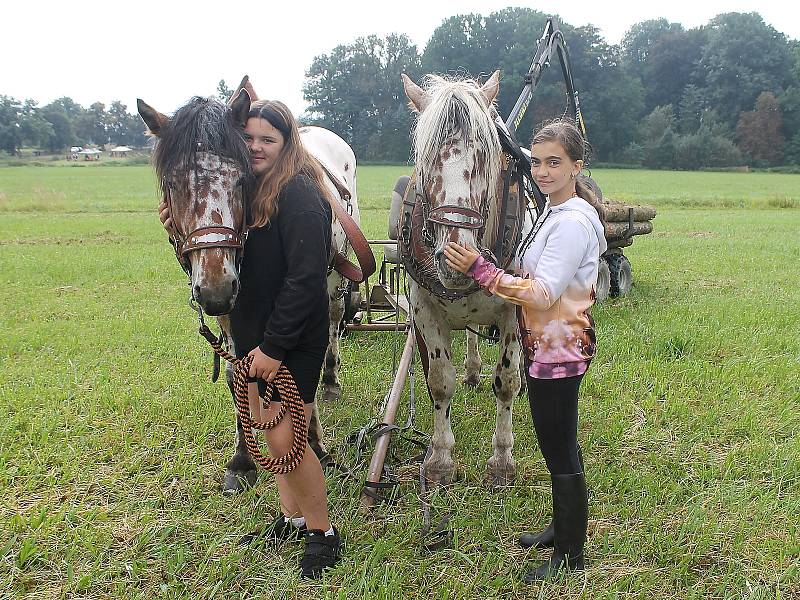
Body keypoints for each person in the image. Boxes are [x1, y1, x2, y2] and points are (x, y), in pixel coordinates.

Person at [159, 99, 341, 580]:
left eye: (269, 139)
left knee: (289, 442)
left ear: (287, 143)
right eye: (251, 139)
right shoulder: (249, 190)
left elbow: (305, 281)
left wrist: (274, 348)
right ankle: (292, 518)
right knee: (268, 429)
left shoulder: (300, 194)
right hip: (254, 332)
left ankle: (323, 534)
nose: (257, 147)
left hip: (291, 336)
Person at [443, 119, 606, 581]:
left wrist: (481, 271)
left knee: (559, 450)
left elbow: (541, 293)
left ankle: (570, 556)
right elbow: (529, 270)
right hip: (546, 346)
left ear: (577, 165)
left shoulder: (571, 223)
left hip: (559, 349)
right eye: (536, 162)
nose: (543, 171)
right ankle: (562, 528)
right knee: (559, 443)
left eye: (555, 162)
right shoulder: (552, 213)